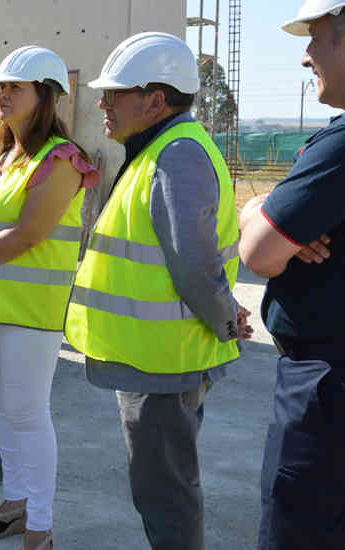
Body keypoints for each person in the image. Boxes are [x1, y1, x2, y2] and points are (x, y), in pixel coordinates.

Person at [64, 32, 251, 550]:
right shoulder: (159, 149)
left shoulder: (178, 155)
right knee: (161, 489)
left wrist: (225, 320)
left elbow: (194, 264)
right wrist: (227, 310)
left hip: (166, 363)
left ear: (155, 99)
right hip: (154, 358)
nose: (101, 103)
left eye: (114, 94)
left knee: (166, 494)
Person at [0, 46, 98, 549]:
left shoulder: (63, 159)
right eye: (1, 88)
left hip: (31, 312)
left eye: (16, 88)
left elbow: (28, 234)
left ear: (46, 96)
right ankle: (15, 503)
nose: (3, 96)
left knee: (29, 412)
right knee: (3, 409)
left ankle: (41, 526)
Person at [239, 2, 345, 547]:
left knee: (298, 529)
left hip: (324, 384)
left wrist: (267, 218)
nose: (307, 57)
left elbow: (256, 253)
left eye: (319, 39)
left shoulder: (340, 145)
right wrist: (273, 218)